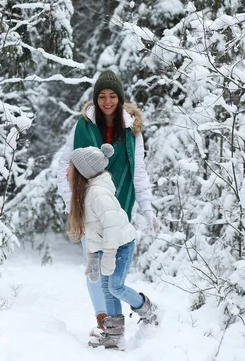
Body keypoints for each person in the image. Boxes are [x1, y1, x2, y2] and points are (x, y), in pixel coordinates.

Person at [57, 69, 160, 340]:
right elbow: (65, 165)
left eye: (112, 96)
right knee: (95, 269)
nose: (107, 101)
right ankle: (105, 324)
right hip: (86, 208)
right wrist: (71, 205)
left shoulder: (132, 131)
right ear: (95, 97)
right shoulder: (83, 126)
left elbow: (138, 171)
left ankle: (122, 322)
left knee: (110, 275)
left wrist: (148, 208)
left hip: (119, 206)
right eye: (102, 96)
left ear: (120, 98)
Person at [65, 143, 158, 350]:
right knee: (108, 291)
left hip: (120, 244)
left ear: (82, 172)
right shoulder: (85, 194)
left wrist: (108, 255)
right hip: (106, 246)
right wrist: (92, 258)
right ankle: (115, 336)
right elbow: (91, 230)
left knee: (115, 287)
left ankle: (149, 310)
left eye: (70, 166)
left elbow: (112, 227)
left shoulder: (98, 194)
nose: (67, 170)